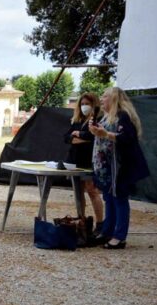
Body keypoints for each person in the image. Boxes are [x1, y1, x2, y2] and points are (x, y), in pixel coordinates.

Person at [88, 87, 150, 249]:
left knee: (119, 199)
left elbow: (127, 138)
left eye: (105, 96)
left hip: (120, 166)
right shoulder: (107, 117)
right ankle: (107, 232)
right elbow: (101, 135)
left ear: (114, 99)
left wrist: (105, 134)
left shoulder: (123, 116)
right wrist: (94, 130)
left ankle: (119, 236)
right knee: (109, 198)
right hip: (107, 167)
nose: (101, 99)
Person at [64, 93, 103, 224]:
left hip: (89, 161)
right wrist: (80, 138)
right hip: (74, 161)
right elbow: (66, 137)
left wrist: (79, 134)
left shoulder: (98, 119)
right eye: (82, 104)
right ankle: (81, 219)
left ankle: (100, 223)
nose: (84, 106)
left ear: (94, 105)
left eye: (87, 104)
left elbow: (93, 137)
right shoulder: (77, 120)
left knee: (92, 191)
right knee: (78, 191)